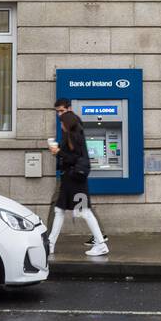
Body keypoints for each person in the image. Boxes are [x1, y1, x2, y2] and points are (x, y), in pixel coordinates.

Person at [48, 98, 109, 257]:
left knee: (84, 212)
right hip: (70, 179)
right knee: (60, 210)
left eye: (61, 116)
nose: (60, 122)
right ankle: (51, 243)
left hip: (75, 180)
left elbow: (74, 158)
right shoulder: (71, 134)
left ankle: (101, 243)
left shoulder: (75, 135)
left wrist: (58, 152)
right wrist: (59, 153)